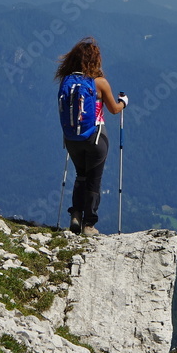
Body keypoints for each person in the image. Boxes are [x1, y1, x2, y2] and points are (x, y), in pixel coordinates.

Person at [54, 37, 127, 236]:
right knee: (94, 180)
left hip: (71, 140)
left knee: (81, 176)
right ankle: (89, 225)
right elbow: (114, 109)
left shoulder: (67, 81)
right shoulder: (99, 83)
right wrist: (124, 102)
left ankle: (75, 216)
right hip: (96, 138)